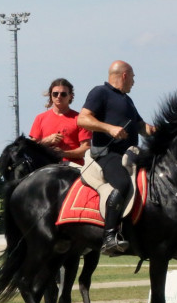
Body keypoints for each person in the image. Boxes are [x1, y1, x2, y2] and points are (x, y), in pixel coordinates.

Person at [77, 61, 156, 256]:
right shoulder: (100, 92)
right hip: (107, 154)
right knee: (122, 184)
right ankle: (109, 236)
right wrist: (109, 128)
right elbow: (82, 119)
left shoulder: (127, 100)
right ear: (124, 75)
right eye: (133, 77)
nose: (134, 82)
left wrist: (159, 133)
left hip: (130, 154)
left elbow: (140, 126)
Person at [29, 77, 91, 165]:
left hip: (72, 167)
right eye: (55, 94)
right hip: (45, 166)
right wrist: (46, 141)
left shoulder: (80, 119)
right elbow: (30, 148)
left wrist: (63, 153)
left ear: (70, 96)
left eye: (63, 94)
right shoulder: (40, 118)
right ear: (51, 95)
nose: (59, 96)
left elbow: (86, 149)